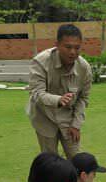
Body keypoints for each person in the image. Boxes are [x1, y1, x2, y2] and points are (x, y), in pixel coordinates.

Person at [28, 24, 92, 159]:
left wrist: (76, 124)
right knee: (50, 162)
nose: (73, 52)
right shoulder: (40, 62)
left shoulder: (84, 67)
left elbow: (83, 98)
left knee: (76, 159)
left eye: (77, 47)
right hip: (44, 117)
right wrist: (58, 100)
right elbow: (36, 93)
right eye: (68, 47)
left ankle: (77, 180)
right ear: (57, 45)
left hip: (68, 118)